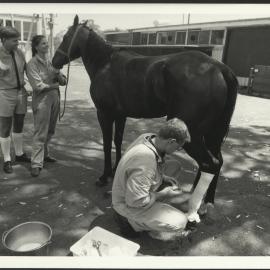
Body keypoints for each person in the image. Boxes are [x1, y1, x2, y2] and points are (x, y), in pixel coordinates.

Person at [112, 118, 193, 241]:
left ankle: (150, 209)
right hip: (126, 204)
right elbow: (135, 202)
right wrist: (162, 194)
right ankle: (130, 222)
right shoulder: (146, 161)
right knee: (180, 222)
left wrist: (163, 177)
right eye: (178, 147)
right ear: (171, 141)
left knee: (174, 166)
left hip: (130, 185)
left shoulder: (148, 137)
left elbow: (146, 168)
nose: (178, 150)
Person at [26, 35, 66, 177]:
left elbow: (63, 82)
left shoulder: (51, 62)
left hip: (54, 99)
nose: (47, 46)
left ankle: (45, 154)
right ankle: (36, 163)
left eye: (47, 43)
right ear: (36, 47)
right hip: (42, 101)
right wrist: (55, 85)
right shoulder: (32, 64)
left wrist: (58, 74)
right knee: (40, 132)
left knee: (50, 130)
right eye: (43, 44)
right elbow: (37, 86)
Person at [0, 26, 31, 174]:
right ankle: (7, 159)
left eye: (18, 39)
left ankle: (19, 154)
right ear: (4, 40)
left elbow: (28, 70)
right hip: (5, 93)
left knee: (19, 123)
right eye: (14, 40)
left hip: (21, 92)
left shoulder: (19, 52)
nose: (17, 43)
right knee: (5, 127)